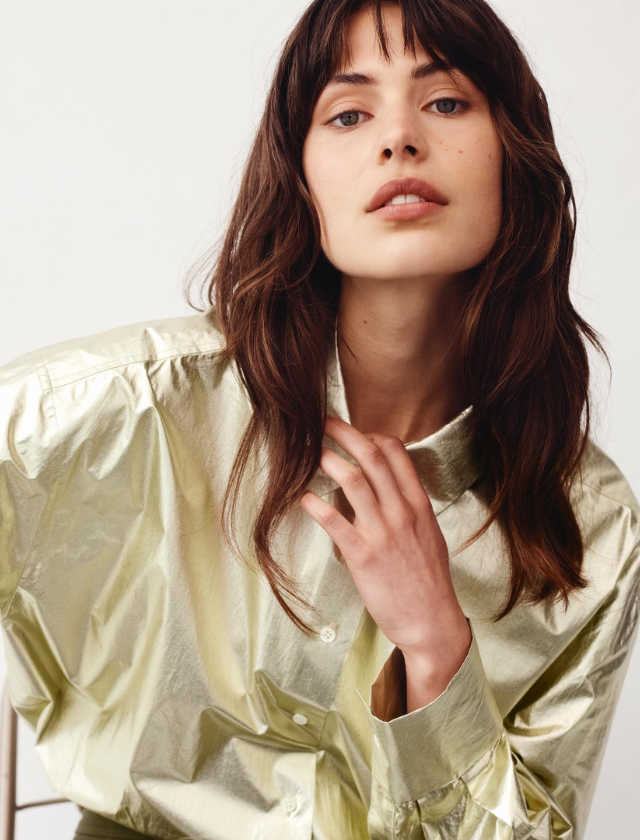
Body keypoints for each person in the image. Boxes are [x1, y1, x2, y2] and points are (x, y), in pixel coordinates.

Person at [1, 1, 638, 838]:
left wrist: (436, 644)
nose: (399, 139)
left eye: (445, 102)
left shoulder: (588, 522)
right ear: (300, 179)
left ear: (514, 159)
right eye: (349, 112)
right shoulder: (141, 409)